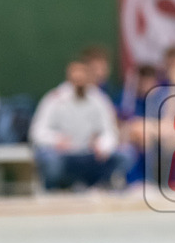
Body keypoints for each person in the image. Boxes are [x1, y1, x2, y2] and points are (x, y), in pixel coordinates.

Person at [30, 59, 133, 191]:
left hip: (91, 157)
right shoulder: (54, 99)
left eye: (82, 76)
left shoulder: (99, 99)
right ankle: (59, 188)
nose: (79, 79)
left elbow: (110, 131)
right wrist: (56, 140)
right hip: (65, 157)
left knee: (126, 154)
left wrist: (103, 145)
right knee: (49, 160)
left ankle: (101, 185)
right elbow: (37, 132)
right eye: (75, 76)